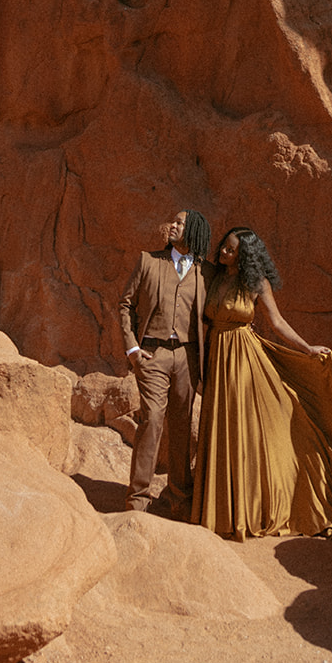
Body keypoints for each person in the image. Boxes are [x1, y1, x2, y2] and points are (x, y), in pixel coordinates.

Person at [191, 225, 332, 541]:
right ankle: (218, 509)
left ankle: (247, 510)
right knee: (221, 429)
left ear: (245, 255)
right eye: (224, 247)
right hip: (217, 356)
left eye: (231, 250)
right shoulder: (214, 276)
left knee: (243, 433)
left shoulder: (255, 283)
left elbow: (277, 323)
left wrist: (307, 348)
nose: (223, 253)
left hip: (243, 360)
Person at [118, 208, 215, 515]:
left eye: (179, 223)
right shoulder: (149, 261)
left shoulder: (207, 272)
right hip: (153, 353)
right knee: (151, 421)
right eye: (172, 220)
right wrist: (132, 348)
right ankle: (139, 499)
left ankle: (179, 499)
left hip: (188, 356)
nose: (172, 225)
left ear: (194, 231)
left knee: (183, 425)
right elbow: (125, 305)